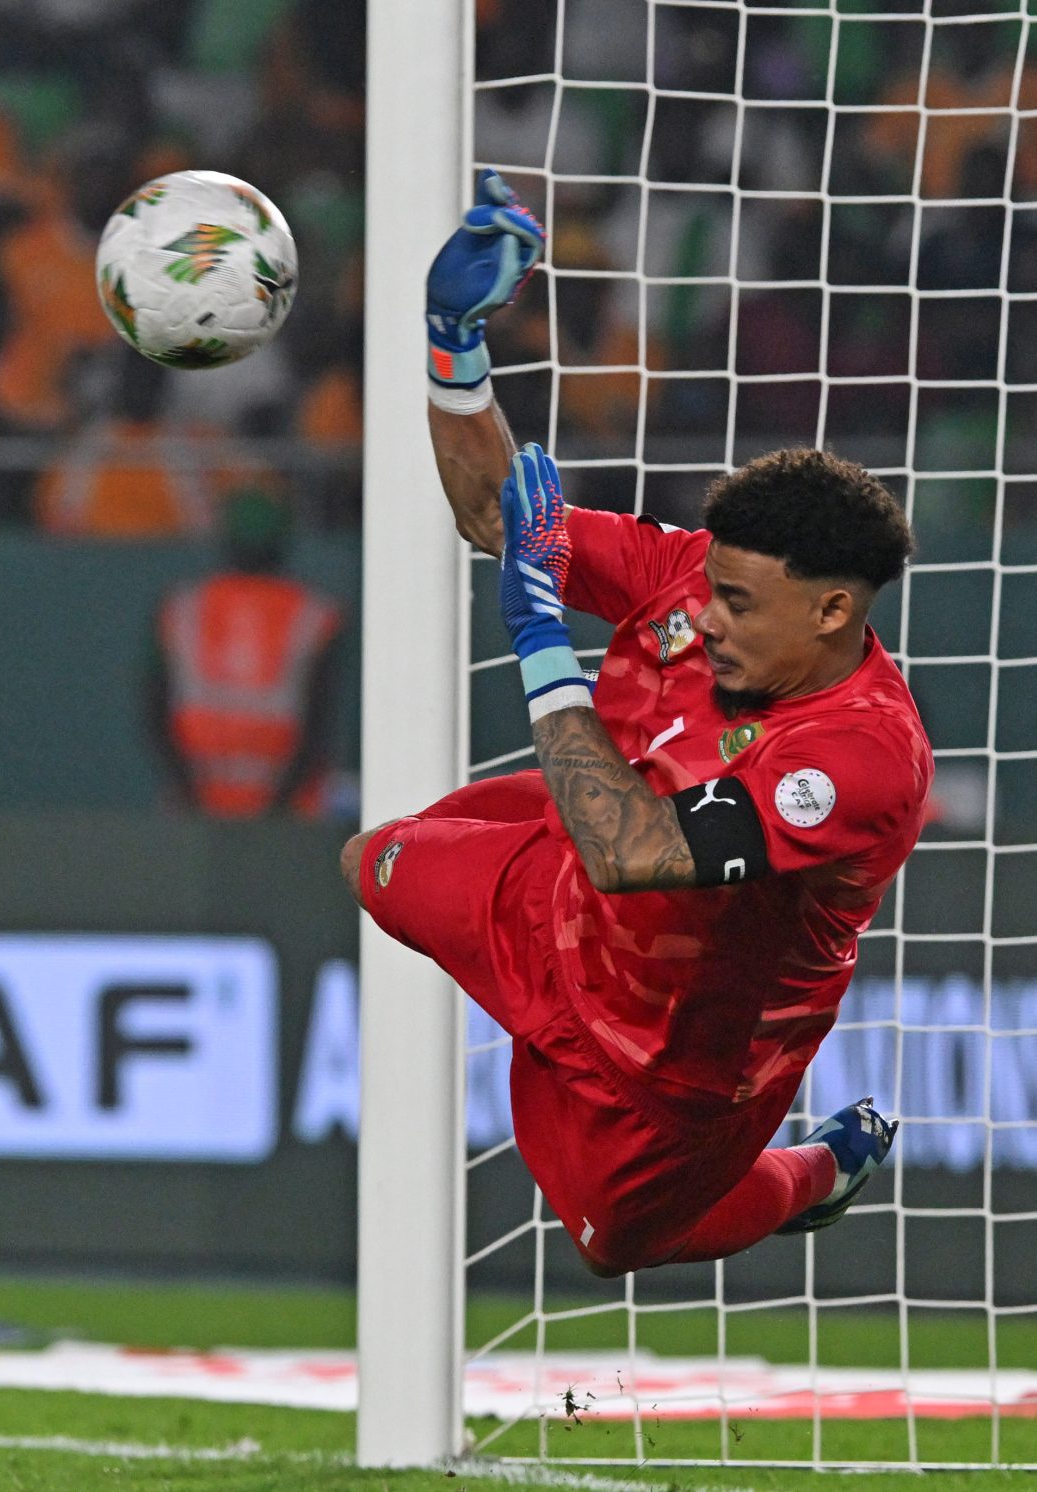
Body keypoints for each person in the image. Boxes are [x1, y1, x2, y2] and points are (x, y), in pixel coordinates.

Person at [342, 172, 932, 1278]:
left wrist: (539, 644)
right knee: (366, 863)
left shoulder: (860, 759)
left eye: (738, 607)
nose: (704, 619)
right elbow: (494, 515)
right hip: (551, 895)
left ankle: (816, 1172)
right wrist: (451, 345)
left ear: (833, 610)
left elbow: (634, 856)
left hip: (668, 1053)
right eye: (710, 587)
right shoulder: (682, 575)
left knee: (619, 1242)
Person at [148, 489, 343, 817]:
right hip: (286, 813)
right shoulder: (314, 614)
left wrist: (190, 794)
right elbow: (320, 723)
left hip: (198, 808)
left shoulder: (181, 609)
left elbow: (153, 711)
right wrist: (274, 810)